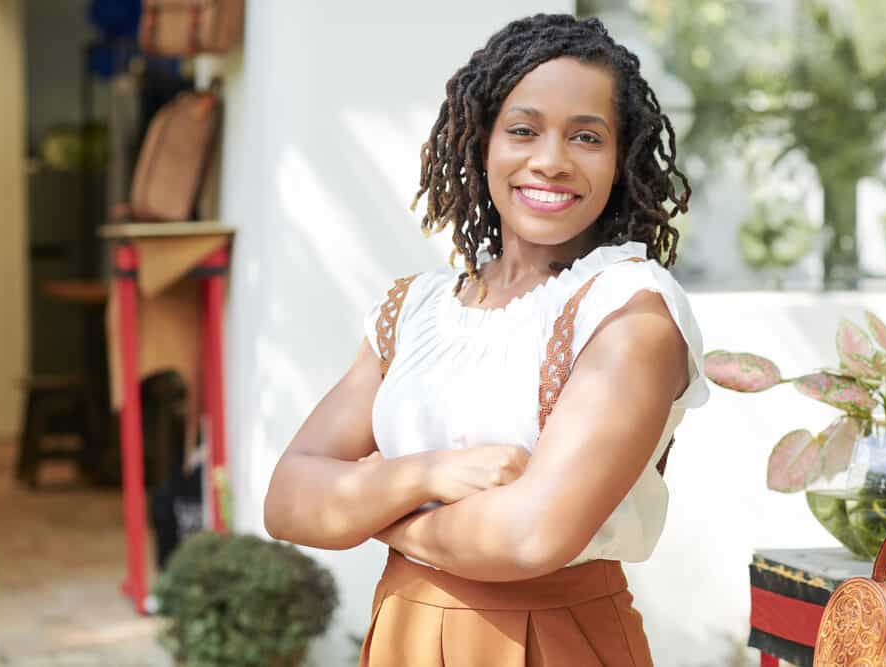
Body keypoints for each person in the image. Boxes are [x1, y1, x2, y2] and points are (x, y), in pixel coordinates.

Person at [264, 13, 709, 666]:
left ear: (621, 159)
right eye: (523, 130)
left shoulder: (629, 311)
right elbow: (288, 498)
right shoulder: (413, 310)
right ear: (482, 143)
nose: (551, 161)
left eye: (586, 136)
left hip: (550, 640)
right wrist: (427, 472)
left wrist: (366, 509)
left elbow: (529, 537)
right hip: (401, 634)